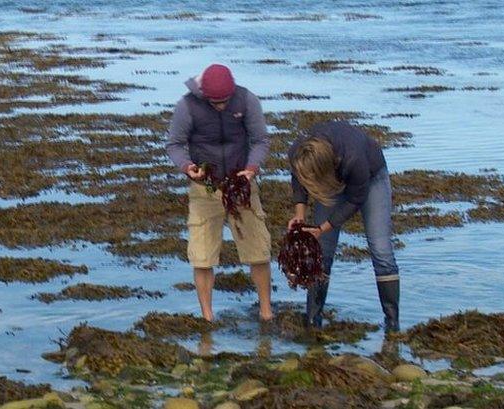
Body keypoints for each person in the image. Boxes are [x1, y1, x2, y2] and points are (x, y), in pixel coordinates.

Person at [166, 64, 273, 321]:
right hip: (206, 187)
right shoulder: (187, 106)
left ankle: (267, 312)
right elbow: (175, 144)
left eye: (225, 101)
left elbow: (260, 140)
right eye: (215, 102)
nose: (221, 106)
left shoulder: (246, 99)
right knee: (202, 256)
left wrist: (251, 168)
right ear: (204, 94)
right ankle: (207, 316)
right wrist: (187, 167)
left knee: (259, 251)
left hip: (241, 186)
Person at [287, 120, 401, 332]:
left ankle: (392, 323)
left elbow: (356, 199)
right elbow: (298, 178)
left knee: (381, 249)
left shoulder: (353, 159)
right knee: (322, 252)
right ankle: (313, 320)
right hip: (328, 176)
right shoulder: (298, 151)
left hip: (371, 176)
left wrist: (322, 228)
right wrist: (300, 215)